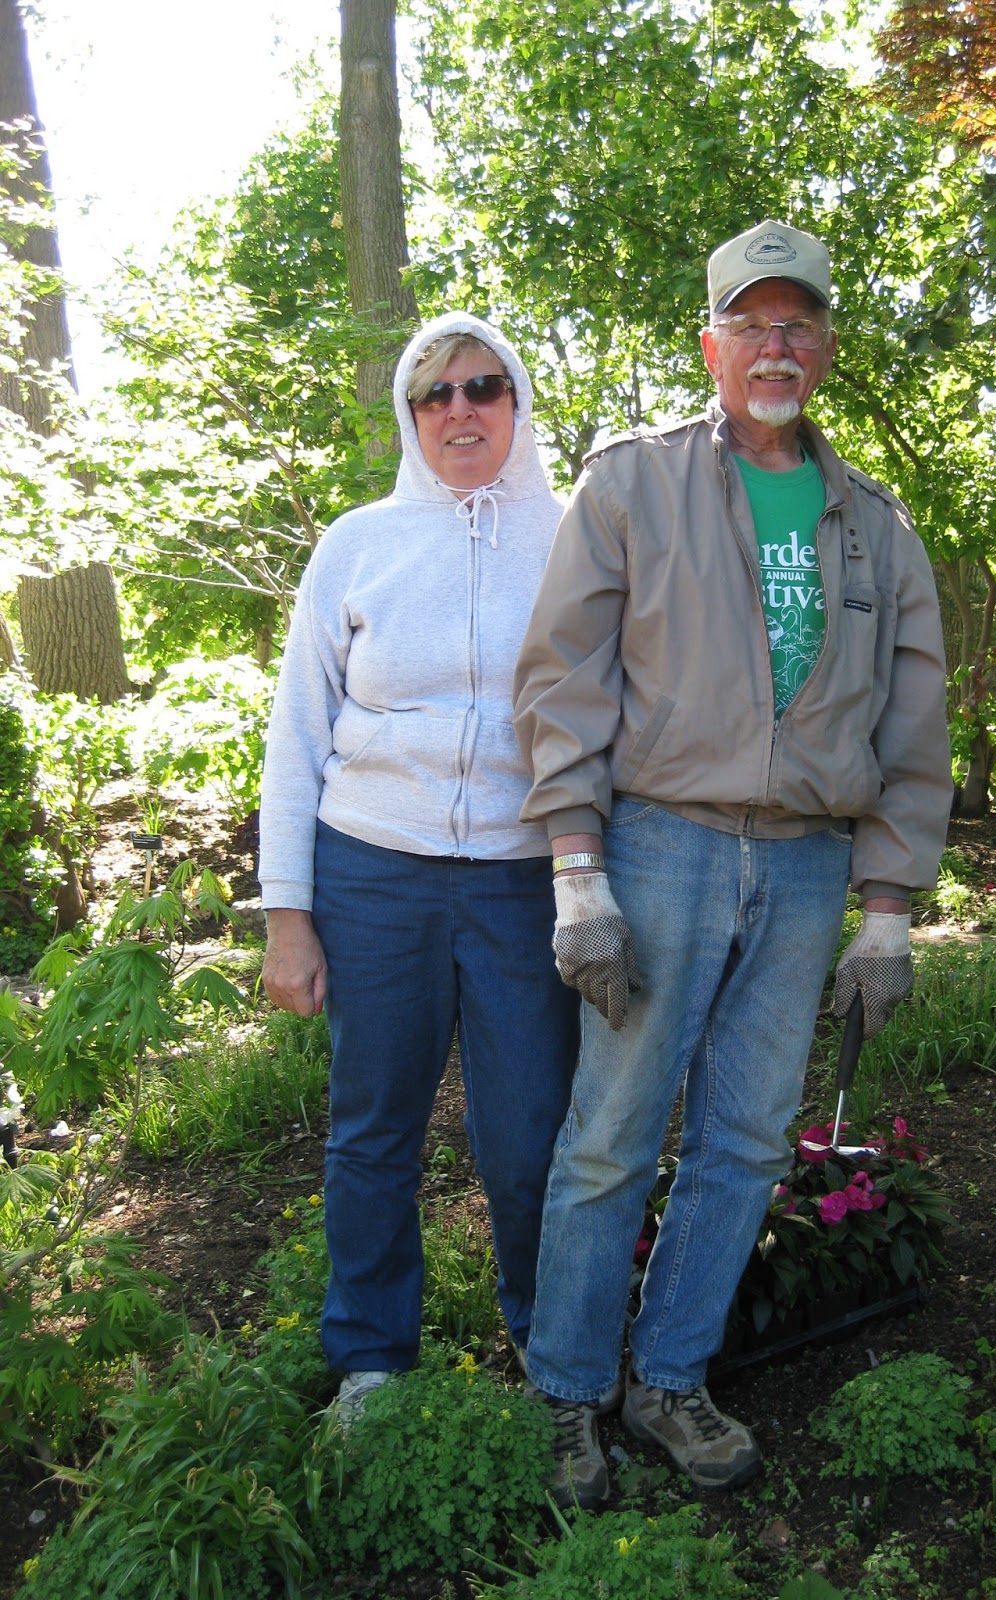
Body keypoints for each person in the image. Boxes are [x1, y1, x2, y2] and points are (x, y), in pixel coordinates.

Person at [512, 221, 953, 1507]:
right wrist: (578, 871)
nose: (775, 346)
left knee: (750, 1140)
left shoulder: (876, 526)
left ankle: (668, 1378)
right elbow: (562, 678)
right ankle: (566, 1391)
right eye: (751, 323)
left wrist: (887, 911)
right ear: (711, 344)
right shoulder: (632, 483)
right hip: (662, 845)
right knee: (612, 1131)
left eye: (797, 323)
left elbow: (912, 729)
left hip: (810, 866)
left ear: (825, 347)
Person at [258, 311, 580, 1419]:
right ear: (409, 415)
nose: (460, 410)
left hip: (526, 876)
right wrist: (287, 915)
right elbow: (297, 733)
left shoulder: (577, 538)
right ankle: (372, 1359)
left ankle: (550, 1344)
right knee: (374, 1129)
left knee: (531, 1133)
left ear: (517, 401)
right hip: (372, 873)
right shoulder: (358, 544)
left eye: (484, 386)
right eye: (434, 393)